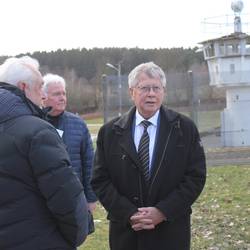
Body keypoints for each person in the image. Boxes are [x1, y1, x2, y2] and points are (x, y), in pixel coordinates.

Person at [91, 62, 206, 250]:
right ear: (131, 92)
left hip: (170, 230)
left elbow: (195, 177)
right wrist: (129, 213)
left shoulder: (184, 129)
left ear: (164, 91)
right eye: (145, 88)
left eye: (156, 88)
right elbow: (100, 180)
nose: (151, 93)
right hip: (127, 233)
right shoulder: (110, 132)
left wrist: (163, 211)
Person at [0, 56, 89, 250]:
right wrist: (74, 238)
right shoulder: (37, 131)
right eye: (40, 87)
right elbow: (67, 198)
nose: (43, 95)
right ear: (23, 87)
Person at [42, 74, 97, 214]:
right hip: (43, 201)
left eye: (64, 93)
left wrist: (90, 198)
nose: (62, 98)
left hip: (75, 198)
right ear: (43, 97)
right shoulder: (34, 123)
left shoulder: (78, 124)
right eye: (56, 94)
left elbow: (89, 163)